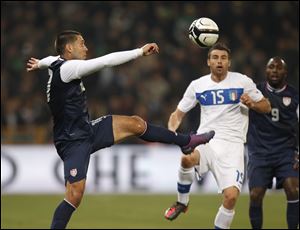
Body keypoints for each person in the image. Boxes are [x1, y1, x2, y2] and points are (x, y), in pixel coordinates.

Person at [26, 30, 215, 229]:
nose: (86, 47)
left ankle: (186, 141)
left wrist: (39, 63)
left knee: (136, 124)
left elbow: (50, 59)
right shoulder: (69, 68)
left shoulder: (56, 63)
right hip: (72, 141)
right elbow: (106, 61)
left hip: (87, 130)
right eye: (82, 43)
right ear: (69, 48)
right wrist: (139, 52)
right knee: (74, 196)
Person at [163, 42, 271, 229]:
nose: (219, 61)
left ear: (229, 62)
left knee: (230, 197)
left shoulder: (242, 82)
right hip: (206, 140)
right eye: (215, 58)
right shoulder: (198, 85)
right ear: (208, 62)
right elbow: (177, 114)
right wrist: (172, 132)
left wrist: (252, 104)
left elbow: (266, 106)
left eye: (223, 58)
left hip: (233, 146)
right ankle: (182, 202)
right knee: (187, 158)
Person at [247, 57, 299, 229]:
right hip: (259, 152)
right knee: (255, 194)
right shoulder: (255, 92)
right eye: (271, 67)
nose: (274, 71)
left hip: (286, 151)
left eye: (278, 68)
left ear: (285, 72)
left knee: (293, 189)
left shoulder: (294, 96)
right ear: (266, 71)